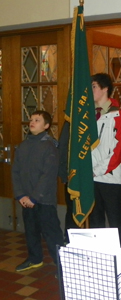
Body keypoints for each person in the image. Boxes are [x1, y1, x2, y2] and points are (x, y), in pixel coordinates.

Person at [12, 110, 64, 272]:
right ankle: (35, 258)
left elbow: (48, 176)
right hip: (26, 199)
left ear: (46, 126)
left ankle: (62, 267)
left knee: (52, 234)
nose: (32, 122)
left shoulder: (49, 146)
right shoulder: (23, 145)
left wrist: (34, 197)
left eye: (37, 120)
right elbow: (16, 171)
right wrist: (21, 194)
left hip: (43, 200)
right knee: (31, 231)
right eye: (31, 119)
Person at [90, 73, 121, 254]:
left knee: (114, 221)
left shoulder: (118, 116)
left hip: (109, 178)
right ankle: (99, 257)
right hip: (92, 177)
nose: (91, 91)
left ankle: (118, 258)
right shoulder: (89, 117)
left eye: (94, 87)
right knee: (95, 220)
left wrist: (97, 170)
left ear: (105, 89)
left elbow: (119, 151)